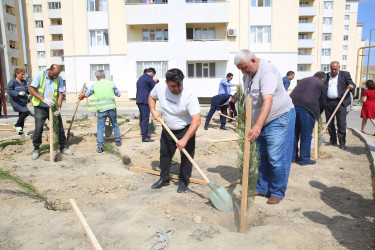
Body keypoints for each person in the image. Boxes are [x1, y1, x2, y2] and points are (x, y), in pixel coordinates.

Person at [234, 49, 295, 205]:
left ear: (253, 60)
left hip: (278, 118)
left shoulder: (267, 72)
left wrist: (257, 126)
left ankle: (276, 192)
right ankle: (262, 187)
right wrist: (245, 115)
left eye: (244, 67)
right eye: (240, 69)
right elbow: (250, 97)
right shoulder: (248, 74)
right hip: (261, 120)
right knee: (262, 158)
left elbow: (268, 100)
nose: (242, 71)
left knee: (276, 157)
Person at [149, 68, 201, 193]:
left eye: (179, 85)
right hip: (167, 128)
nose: (177, 89)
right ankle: (164, 178)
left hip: (186, 129)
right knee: (165, 155)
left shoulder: (189, 93)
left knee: (187, 157)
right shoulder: (160, 87)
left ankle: (183, 181)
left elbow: (197, 120)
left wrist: (185, 139)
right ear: (167, 83)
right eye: (173, 86)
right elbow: (151, 97)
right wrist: (153, 110)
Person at [28, 64, 73, 160]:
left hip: (53, 106)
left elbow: (60, 94)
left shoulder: (59, 78)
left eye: (56, 75)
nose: (54, 77)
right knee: (38, 128)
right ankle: (36, 149)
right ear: (49, 69)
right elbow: (31, 90)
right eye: (53, 74)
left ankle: (62, 147)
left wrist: (59, 108)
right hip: (40, 106)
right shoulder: (40, 75)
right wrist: (43, 99)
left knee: (59, 127)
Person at [78, 69, 122, 153]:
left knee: (100, 128)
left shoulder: (95, 85)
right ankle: (118, 141)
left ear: (97, 77)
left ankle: (100, 146)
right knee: (115, 124)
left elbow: (87, 94)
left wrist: (82, 96)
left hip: (101, 110)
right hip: (111, 108)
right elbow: (119, 94)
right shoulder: (111, 83)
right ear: (104, 76)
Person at [290, 72, 327, 166]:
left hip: (292, 107)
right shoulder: (321, 84)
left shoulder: (303, 80)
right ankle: (304, 160)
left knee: (294, 134)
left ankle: (293, 157)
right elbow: (323, 102)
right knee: (306, 136)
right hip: (307, 109)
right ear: (322, 79)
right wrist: (317, 115)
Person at [325, 61, 355, 150]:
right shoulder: (326, 76)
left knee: (341, 123)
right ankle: (333, 140)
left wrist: (351, 86)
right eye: (332, 69)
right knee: (329, 123)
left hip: (341, 102)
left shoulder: (345, 75)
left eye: (335, 69)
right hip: (329, 102)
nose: (333, 71)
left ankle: (342, 143)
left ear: (339, 68)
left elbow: (351, 83)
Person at [136, 68, 157, 142]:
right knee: (145, 119)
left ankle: (144, 134)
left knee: (142, 118)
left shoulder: (141, 78)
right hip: (145, 101)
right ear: (152, 73)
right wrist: (155, 82)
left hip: (139, 100)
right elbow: (155, 88)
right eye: (153, 75)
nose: (153, 77)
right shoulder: (149, 78)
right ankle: (144, 137)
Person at [7, 68, 30, 136]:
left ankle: (21, 133)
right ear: (17, 74)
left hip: (23, 100)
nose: (23, 76)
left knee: (21, 115)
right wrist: (18, 93)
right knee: (26, 112)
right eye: (21, 74)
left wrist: (29, 92)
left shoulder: (24, 82)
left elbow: (26, 89)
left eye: (23, 74)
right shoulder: (12, 82)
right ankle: (17, 125)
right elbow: (9, 90)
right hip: (15, 100)